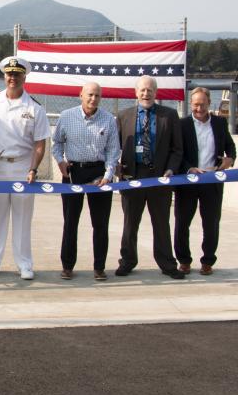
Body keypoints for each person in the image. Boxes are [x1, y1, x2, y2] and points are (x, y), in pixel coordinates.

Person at [0, 57, 50, 280]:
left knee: (22, 218)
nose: (12, 78)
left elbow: (40, 143)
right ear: (4, 76)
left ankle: (24, 264)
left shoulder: (34, 108)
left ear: (24, 77)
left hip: (22, 168)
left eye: (17, 75)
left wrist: (33, 169)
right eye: (9, 74)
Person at [116, 75, 185, 279]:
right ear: (136, 93)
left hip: (160, 178)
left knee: (161, 223)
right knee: (130, 224)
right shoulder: (123, 116)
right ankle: (127, 261)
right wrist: (116, 167)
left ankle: (167, 264)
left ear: (156, 93)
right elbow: (114, 146)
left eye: (150, 90)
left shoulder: (169, 115)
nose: (146, 94)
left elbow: (177, 149)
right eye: (143, 90)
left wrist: (171, 169)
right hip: (132, 177)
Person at [51, 82, 120, 280]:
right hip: (73, 173)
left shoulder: (108, 120)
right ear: (80, 95)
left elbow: (113, 152)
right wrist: (60, 161)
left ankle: (99, 267)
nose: (93, 99)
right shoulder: (66, 116)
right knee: (70, 223)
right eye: (90, 95)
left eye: (97, 95)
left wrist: (108, 176)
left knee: (100, 224)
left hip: (99, 174)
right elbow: (57, 144)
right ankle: (67, 266)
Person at [173, 87, 235, 275]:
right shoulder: (182, 124)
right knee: (182, 223)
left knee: (211, 223)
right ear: (191, 104)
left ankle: (208, 261)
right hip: (187, 181)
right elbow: (176, 152)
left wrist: (229, 159)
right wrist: (188, 168)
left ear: (209, 103)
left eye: (202, 104)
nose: (198, 108)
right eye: (195, 104)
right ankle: (184, 261)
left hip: (212, 181)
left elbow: (230, 148)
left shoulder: (219, 123)